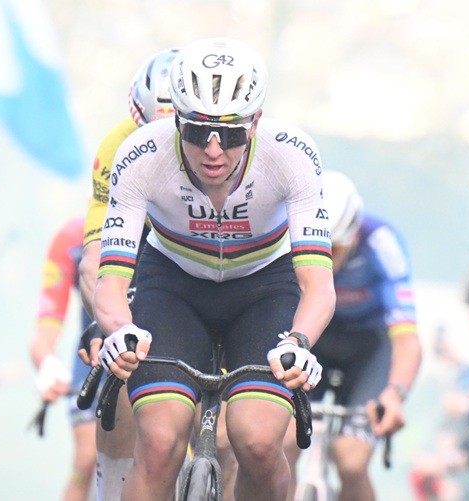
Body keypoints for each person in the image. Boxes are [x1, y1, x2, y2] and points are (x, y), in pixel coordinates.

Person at [89, 37, 334, 501]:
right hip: (173, 286)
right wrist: (119, 329)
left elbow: (318, 286)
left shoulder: (293, 154)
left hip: (264, 289)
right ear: (176, 120)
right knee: (159, 443)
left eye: (232, 134)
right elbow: (111, 281)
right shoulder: (141, 155)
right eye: (198, 132)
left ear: (256, 122)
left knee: (258, 443)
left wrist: (299, 343)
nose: (214, 150)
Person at [75, 46, 178, 499]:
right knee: (121, 374)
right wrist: (107, 326)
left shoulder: (225, 149)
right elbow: (94, 259)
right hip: (139, 254)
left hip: (203, 258)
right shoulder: (117, 147)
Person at [285, 170, 422, 501]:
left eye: (335, 249)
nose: (326, 261)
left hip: (368, 350)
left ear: (354, 235)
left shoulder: (382, 244)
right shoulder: (289, 236)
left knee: (351, 461)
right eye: (318, 249)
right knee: (283, 444)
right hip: (316, 342)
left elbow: (407, 339)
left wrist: (395, 394)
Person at [28, 216, 99, 501]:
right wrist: (48, 365)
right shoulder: (70, 239)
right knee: (86, 459)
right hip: (93, 358)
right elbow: (44, 333)